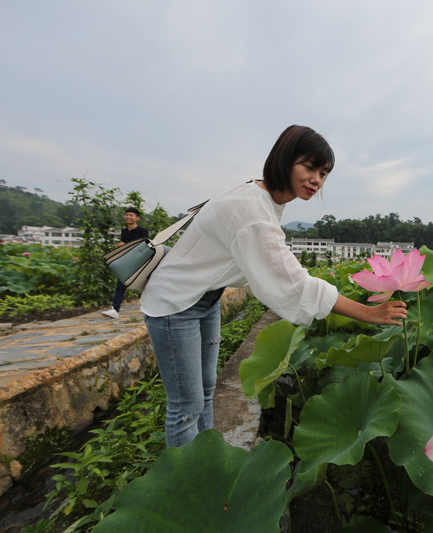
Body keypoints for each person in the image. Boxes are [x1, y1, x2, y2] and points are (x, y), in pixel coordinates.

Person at [140, 125, 407, 447]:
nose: (316, 180)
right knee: (186, 407)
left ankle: (204, 464)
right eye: (309, 168)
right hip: (175, 303)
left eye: (323, 173)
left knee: (207, 391)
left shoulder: (260, 197)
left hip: (204, 297)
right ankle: (185, 487)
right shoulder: (252, 211)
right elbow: (292, 282)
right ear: (283, 160)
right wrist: (366, 312)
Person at [101, 208, 149, 319]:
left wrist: (125, 245)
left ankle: (149, 307)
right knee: (120, 285)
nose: (128, 217)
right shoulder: (124, 232)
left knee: (146, 284)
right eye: (126, 215)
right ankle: (115, 309)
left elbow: (143, 246)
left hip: (139, 261)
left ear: (137, 218)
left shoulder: (143, 232)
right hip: (126, 261)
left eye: (131, 215)